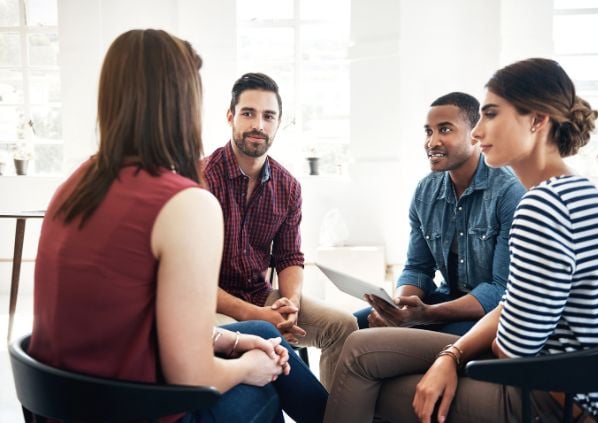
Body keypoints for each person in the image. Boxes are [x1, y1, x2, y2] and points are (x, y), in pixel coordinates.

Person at [28, 29, 327, 423]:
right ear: (180, 102)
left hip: (69, 404)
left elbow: (140, 316)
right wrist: (246, 367)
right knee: (266, 386)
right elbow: (191, 379)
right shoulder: (183, 201)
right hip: (135, 409)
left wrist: (236, 340)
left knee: (267, 337)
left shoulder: (77, 182)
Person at [324, 58, 598, 423]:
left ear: (536, 120)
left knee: (363, 367)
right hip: (586, 390)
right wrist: (450, 355)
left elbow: (512, 348)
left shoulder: (541, 205)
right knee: (364, 345)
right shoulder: (580, 192)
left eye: (490, 115)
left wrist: (450, 358)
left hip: (553, 399)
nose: (476, 132)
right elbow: (514, 306)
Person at [202, 72, 358, 392]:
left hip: (262, 296)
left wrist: (290, 303)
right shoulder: (201, 179)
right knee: (260, 332)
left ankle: (338, 415)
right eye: (248, 113)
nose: (258, 124)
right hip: (208, 305)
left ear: (278, 123)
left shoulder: (288, 187)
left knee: (344, 327)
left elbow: (289, 256)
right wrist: (259, 315)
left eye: (268, 116)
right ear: (230, 117)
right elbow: (192, 281)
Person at [355, 92, 525, 335]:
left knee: (379, 343)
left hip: (490, 317)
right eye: (428, 131)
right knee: (353, 326)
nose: (432, 142)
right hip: (445, 300)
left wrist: (425, 315)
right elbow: (417, 267)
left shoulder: (509, 192)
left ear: (476, 135)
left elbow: (501, 290)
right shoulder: (426, 192)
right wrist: (399, 308)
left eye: (445, 130)